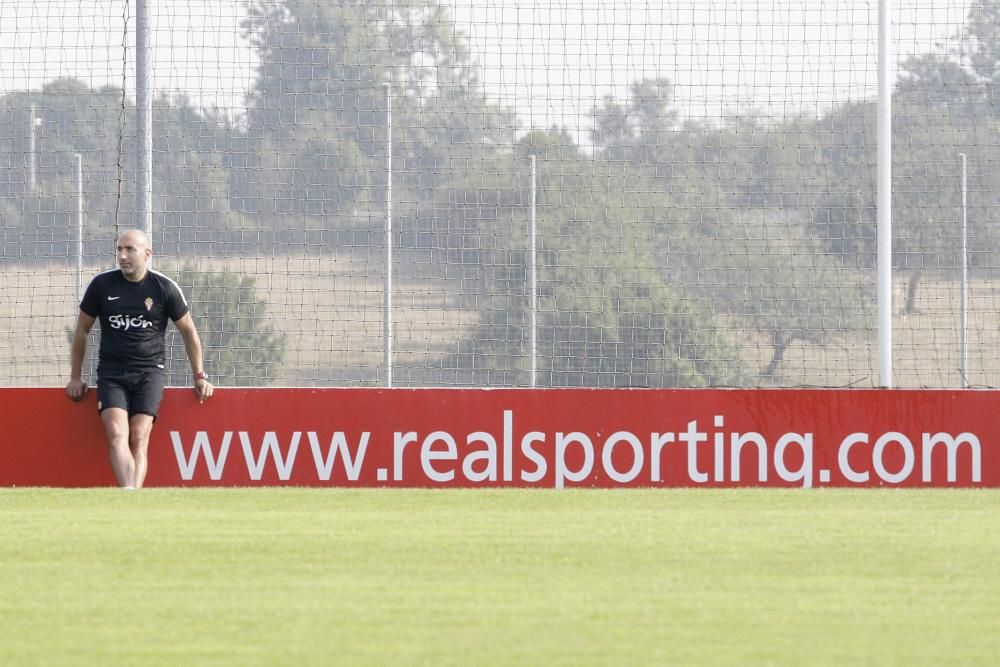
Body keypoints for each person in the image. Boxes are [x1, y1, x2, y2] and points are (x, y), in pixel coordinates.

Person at [65, 229, 214, 488]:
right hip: (112, 373)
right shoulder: (102, 285)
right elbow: (82, 330)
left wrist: (199, 375)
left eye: (130, 249)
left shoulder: (164, 288)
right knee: (116, 433)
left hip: (149, 373)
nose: (122, 256)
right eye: (119, 250)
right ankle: (130, 496)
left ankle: (132, 496)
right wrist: (75, 377)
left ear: (147, 254)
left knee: (138, 435)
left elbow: (189, 331)